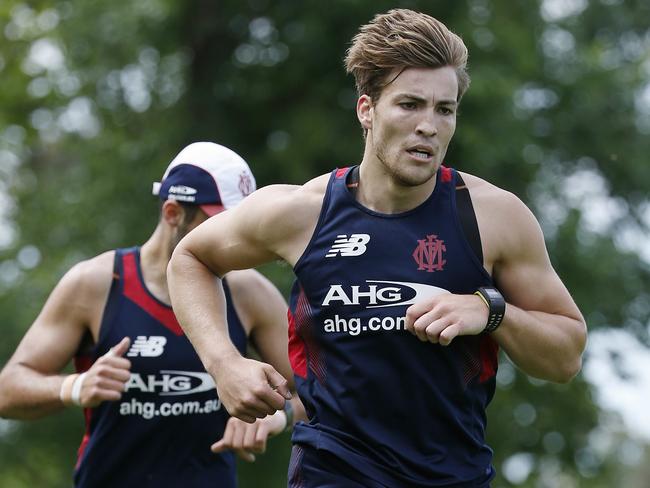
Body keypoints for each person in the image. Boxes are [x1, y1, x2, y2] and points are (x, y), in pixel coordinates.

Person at [167, 9, 587, 488]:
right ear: (367, 110)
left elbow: (565, 355)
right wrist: (224, 364)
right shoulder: (302, 212)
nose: (428, 125)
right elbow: (191, 259)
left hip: (454, 476)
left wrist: (490, 311)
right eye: (410, 105)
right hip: (333, 470)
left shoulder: (493, 216)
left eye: (444, 109)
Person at [0, 142, 304, 488]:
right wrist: (75, 385)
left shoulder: (248, 292)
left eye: (242, 223)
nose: (232, 238)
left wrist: (279, 416)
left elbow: (320, 391)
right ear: (173, 213)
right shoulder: (97, 284)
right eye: (220, 222)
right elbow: (7, 391)